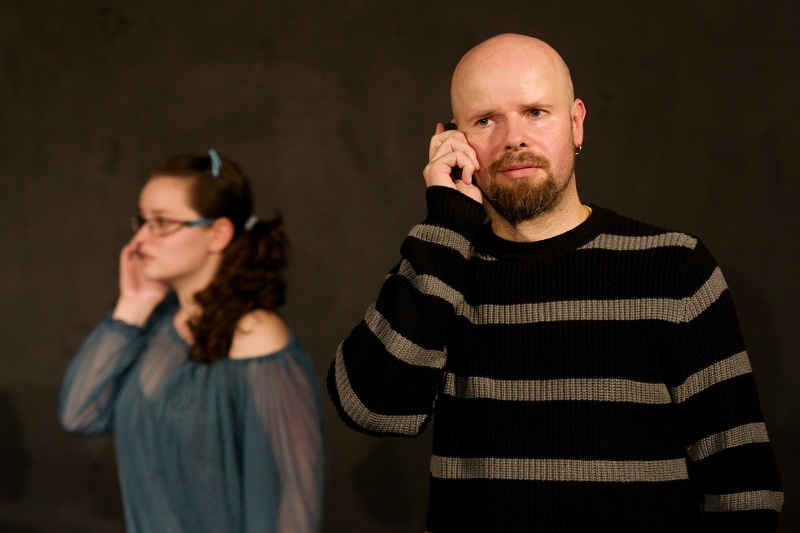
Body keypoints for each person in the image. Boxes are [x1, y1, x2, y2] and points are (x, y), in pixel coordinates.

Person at [328, 34, 783, 532]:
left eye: (535, 112)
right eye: (486, 120)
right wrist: (446, 222)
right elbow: (372, 409)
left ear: (576, 123)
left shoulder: (675, 268)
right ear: (453, 139)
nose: (514, 139)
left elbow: (744, 487)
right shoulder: (441, 267)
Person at [59, 150, 326, 533]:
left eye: (162, 223)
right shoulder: (155, 326)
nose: (139, 239)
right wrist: (133, 304)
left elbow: (292, 503)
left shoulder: (255, 335)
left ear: (218, 233)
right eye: (142, 221)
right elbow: (79, 415)